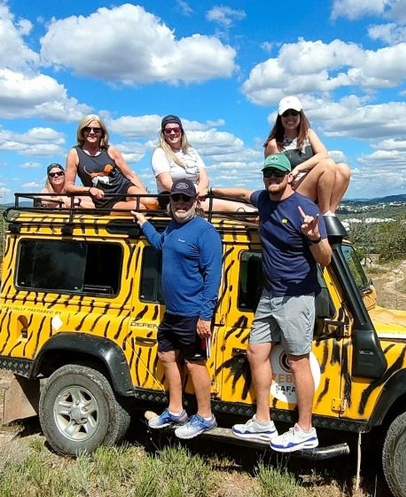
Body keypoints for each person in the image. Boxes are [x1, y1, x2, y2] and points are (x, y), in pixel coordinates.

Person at [204, 153, 332, 452]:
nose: (272, 178)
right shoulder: (263, 199)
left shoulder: (305, 208)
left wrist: (313, 237)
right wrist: (209, 191)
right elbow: (239, 193)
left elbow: (325, 259)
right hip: (270, 294)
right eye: (268, 174)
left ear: (290, 177)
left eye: (278, 174)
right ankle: (263, 421)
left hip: (296, 296)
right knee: (255, 352)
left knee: (299, 360)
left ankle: (305, 429)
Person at [131, 178, 223, 439]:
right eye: (176, 198)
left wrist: (206, 316)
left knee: (195, 365)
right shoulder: (172, 227)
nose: (181, 203)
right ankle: (175, 410)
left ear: (195, 201)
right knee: (167, 358)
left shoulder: (205, 232)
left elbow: (213, 277)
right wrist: (144, 224)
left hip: (193, 314)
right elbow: (161, 244)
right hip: (171, 313)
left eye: (186, 198)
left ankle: (205, 416)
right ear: (170, 202)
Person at [264, 95, 351, 214]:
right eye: (285, 114)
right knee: (328, 165)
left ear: (300, 115)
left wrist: (298, 168)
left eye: (294, 113)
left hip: (314, 184)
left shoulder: (308, 134)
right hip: (293, 190)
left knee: (343, 169)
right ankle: (324, 214)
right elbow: (269, 175)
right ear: (280, 118)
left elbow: (323, 154)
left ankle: (330, 212)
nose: (290, 117)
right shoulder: (274, 144)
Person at [152, 115, 249, 213]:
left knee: (236, 199)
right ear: (163, 133)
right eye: (168, 130)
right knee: (231, 206)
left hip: (197, 195)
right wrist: (190, 195)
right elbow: (166, 182)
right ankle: (255, 215)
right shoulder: (160, 153)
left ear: (181, 131)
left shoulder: (191, 151)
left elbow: (204, 177)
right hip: (177, 198)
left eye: (176, 129)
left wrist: (200, 191)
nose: (172, 133)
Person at [65, 114, 154, 210]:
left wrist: (143, 193)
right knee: (140, 208)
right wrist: (90, 189)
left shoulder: (110, 150)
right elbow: (68, 186)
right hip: (105, 200)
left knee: (151, 202)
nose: (92, 132)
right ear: (82, 132)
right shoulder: (74, 153)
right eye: (87, 129)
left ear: (102, 133)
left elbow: (130, 175)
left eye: (96, 130)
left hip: (124, 188)